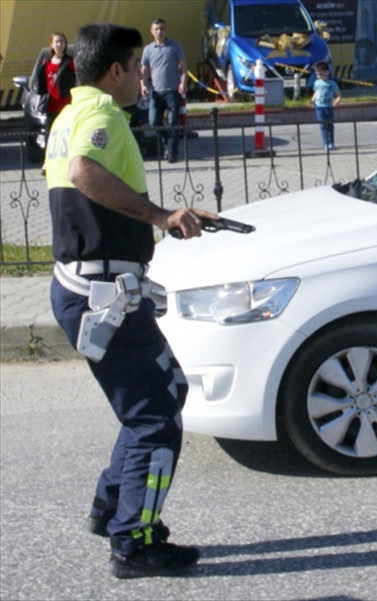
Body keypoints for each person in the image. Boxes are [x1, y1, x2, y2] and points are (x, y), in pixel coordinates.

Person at [45, 22, 217, 579]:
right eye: (137, 66)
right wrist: (161, 216)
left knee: (164, 393)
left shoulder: (69, 114)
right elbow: (84, 173)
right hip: (103, 296)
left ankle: (110, 509)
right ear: (115, 71)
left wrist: (172, 218)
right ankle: (134, 542)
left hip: (92, 288)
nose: (143, 77)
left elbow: (89, 189)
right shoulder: (102, 118)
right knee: (156, 419)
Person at [140, 18, 186, 163]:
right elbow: (144, 70)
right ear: (151, 31)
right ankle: (168, 144)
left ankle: (172, 154)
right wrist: (143, 85)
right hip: (156, 92)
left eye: (162, 29)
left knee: (173, 123)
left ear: (165, 30)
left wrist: (183, 83)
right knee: (154, 122)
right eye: (157, 29)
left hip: (172, 91)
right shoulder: (148, 49)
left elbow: (184, 66)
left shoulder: (174, 46)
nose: (159, 31)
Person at [32, 32, 76, 171]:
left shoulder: (70, 62)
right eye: (56, 42)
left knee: (68, 134)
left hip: (66, 105)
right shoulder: (46, 64)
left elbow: (77, 81)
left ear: (65, 44)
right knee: (51, 135)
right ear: (51, 44)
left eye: (62, 41)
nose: (59, 44)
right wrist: (39, 98)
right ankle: (48, 162)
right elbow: (41, 84)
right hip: (51, 105)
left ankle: (69, 162)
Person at [308, 61, 341, 150]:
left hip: (328, 106)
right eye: (317, 74)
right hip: (319, 107)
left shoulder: (332, 83)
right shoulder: (316, 83)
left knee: (329, 125)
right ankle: (325, 143)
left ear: (327, 72)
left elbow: (338, 95)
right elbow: (316, 92)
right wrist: (312, 100)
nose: (319, 76)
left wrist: (337, 101)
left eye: (321, 74)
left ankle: (331, 142)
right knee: (322, 125)